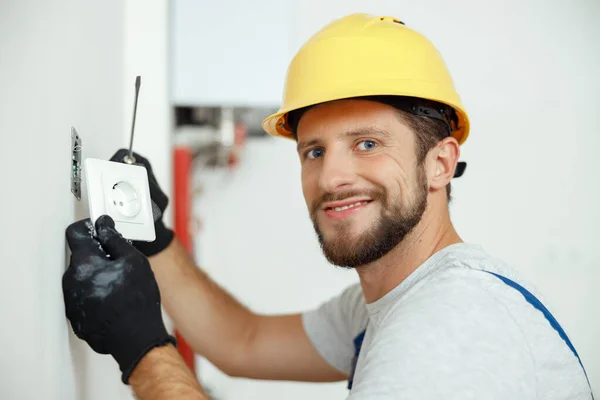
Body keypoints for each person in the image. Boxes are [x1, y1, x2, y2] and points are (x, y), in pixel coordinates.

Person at [62, 13, 594, 399]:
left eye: (367, 143)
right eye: (313, 151)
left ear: (440, 163)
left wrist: (144, 352)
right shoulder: (389, 299)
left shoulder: (451, 326)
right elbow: (241, 342)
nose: (332, 177)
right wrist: (153, 240)